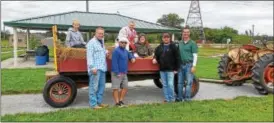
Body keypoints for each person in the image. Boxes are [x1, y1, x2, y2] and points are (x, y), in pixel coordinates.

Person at [152, 33, 180, 103]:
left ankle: (172, 99)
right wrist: (154, 59)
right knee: (164, 85)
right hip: (162, 69)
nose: (166, 38)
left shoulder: (173, 47)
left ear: (169, 38)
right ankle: (167, 99)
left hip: (171, 69)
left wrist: (176, 69)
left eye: (167, 37)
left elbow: (178, 58)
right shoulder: (159, 47)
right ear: (162, 38)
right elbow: (156, 55)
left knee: (170, 84)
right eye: (164, 37)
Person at [86, 27, 109, 109]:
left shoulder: (101, 41)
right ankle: (93, 104)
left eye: (102, 33)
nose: (101, 35)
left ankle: (99, 102)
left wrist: (106, 52)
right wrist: (92, 67)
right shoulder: (91, 43)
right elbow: (89, 56)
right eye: (99, 33)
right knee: (93, 87)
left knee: (101, 86)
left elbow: (103, 50)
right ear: (95, 33)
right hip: (95, 68)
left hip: (102, 67)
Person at [111, 37, 136, 107]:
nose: (124, 44)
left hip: (124, 73)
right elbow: (114, 62)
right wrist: (117, 72)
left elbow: (130, 54)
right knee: (116, 88)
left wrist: (132, 58)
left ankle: (121, 100)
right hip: (117, 73)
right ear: (119, 43)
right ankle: (117, 102)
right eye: (122, 42)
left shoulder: (126, 51)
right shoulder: (116, 51)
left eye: (125, 43)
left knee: (125, 87)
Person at [176, 26, 198, 102]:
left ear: (189, 33)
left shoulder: (192, 43)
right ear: (182, 33)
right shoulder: (180, 43)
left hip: (189, 65)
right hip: (180, 65)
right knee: (180, 83)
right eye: (184, 32)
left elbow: (195, 55)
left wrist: (194, 66)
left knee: (189, 83)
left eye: (187, 32)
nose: (185, 33)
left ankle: (187, 99)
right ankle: (179, 98)